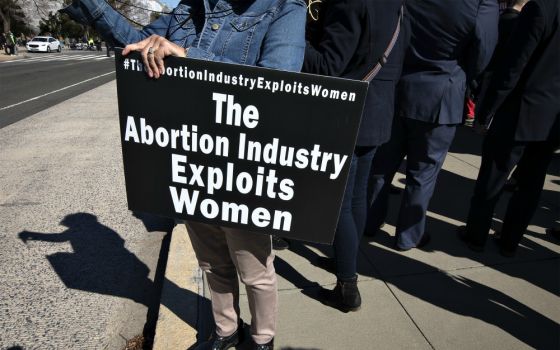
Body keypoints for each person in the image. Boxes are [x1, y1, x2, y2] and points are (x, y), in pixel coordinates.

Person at [61, 0, 306, 349]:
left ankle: (262, 339)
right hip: (190, 159)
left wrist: (189, 56)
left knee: (254, 269)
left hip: (244, 166)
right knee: (211, 262)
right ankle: (225, 332)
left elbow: (279, 85)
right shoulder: (188, 8)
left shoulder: (283, 7)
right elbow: (137, 42)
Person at [364, 0, 498, 251]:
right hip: (442, 92)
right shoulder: (481, 3)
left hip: (400, 85)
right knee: (423, 174)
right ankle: (408, 236)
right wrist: (463, 77)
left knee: (382, 165)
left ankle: (368, 222)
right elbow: (484, 53)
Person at [302, 0, 407, 311]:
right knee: (357, 196)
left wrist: (296, 36)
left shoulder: (349, 3)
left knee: (339, 204)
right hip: (376, 110)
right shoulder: (397, 5)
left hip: (346, 116)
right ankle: (345, 261)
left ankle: (347, 285)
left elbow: (325, 65)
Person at [461, 0, 560, 257]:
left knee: (493, 176)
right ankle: (510, 241)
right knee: (531, 184)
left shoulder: (541, 8)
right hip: (552, 118)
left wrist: (487, 110)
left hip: (520, 110)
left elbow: (514, 65)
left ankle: (476, 235)